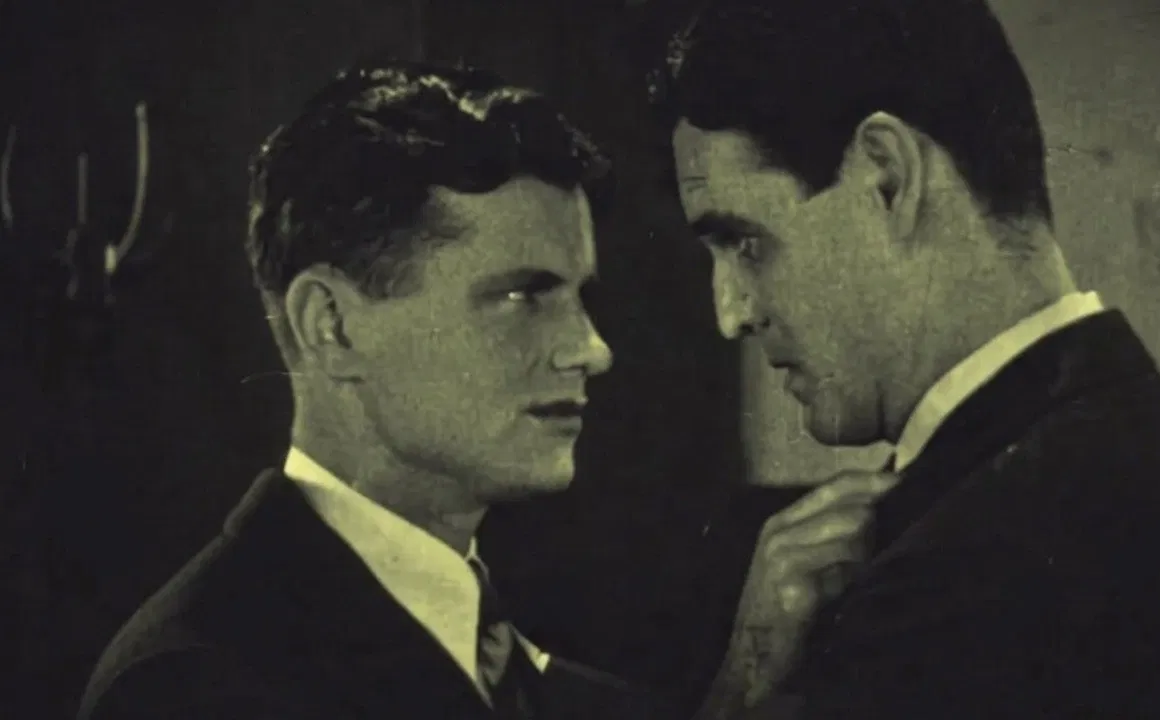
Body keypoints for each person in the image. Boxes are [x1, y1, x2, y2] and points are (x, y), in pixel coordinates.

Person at [75, 62, 888, 720]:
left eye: (579, 297)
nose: (591, 349)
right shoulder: (195, 684)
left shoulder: (542, 681)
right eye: (521, 295)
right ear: (333, 325)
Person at [657, 1, 1160, 717]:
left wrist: (738, 695)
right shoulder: (1146, 455)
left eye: (745, 242)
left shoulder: (959, 582)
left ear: (887, 176)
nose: (731, 313)